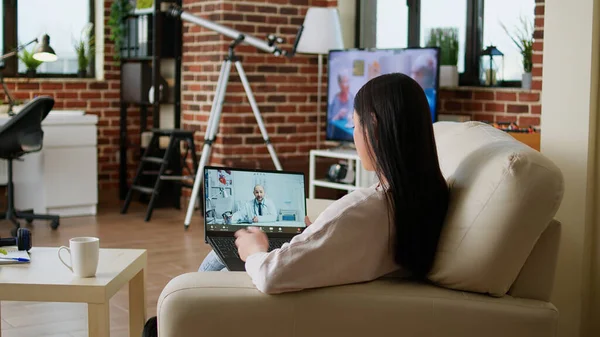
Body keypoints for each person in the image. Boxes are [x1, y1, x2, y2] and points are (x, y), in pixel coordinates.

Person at [142, 73, 449, 336]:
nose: (354, 135)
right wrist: (320, 233)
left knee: (229, 247)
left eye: (355, 125)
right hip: (346, 288)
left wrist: (255, 251)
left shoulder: (365, 207)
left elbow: (271, 275)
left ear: (374, 127)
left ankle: (181, 318)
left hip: (294, 307)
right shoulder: (429, 196)